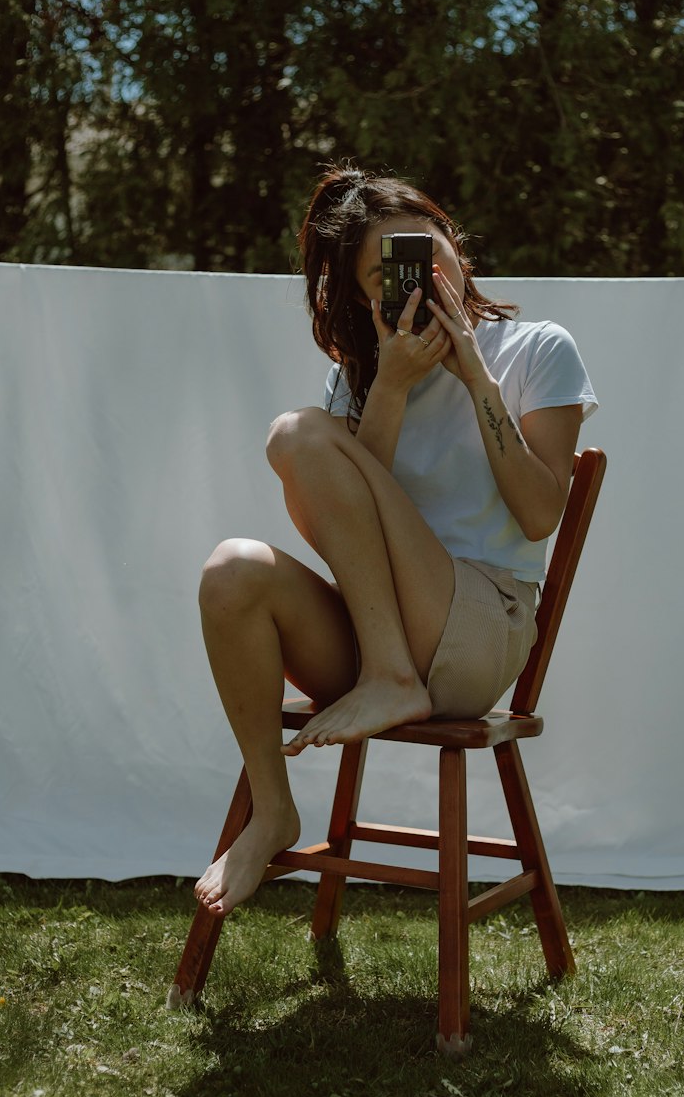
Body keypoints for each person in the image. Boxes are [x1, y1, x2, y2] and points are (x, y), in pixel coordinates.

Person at [193, 166, 597, 916]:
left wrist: (472, 367)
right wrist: (390, 387)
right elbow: (345, 521)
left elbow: (542, 514)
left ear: (453, 243)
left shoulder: (538, 348)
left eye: (427, 250)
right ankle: (274, 809)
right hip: (380, 630)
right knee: (231, 571)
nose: (423, 277)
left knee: (297, 434)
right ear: (365, 295)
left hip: (481, 628)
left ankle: (393, 678)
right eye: (388, 274)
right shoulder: (356, 381)